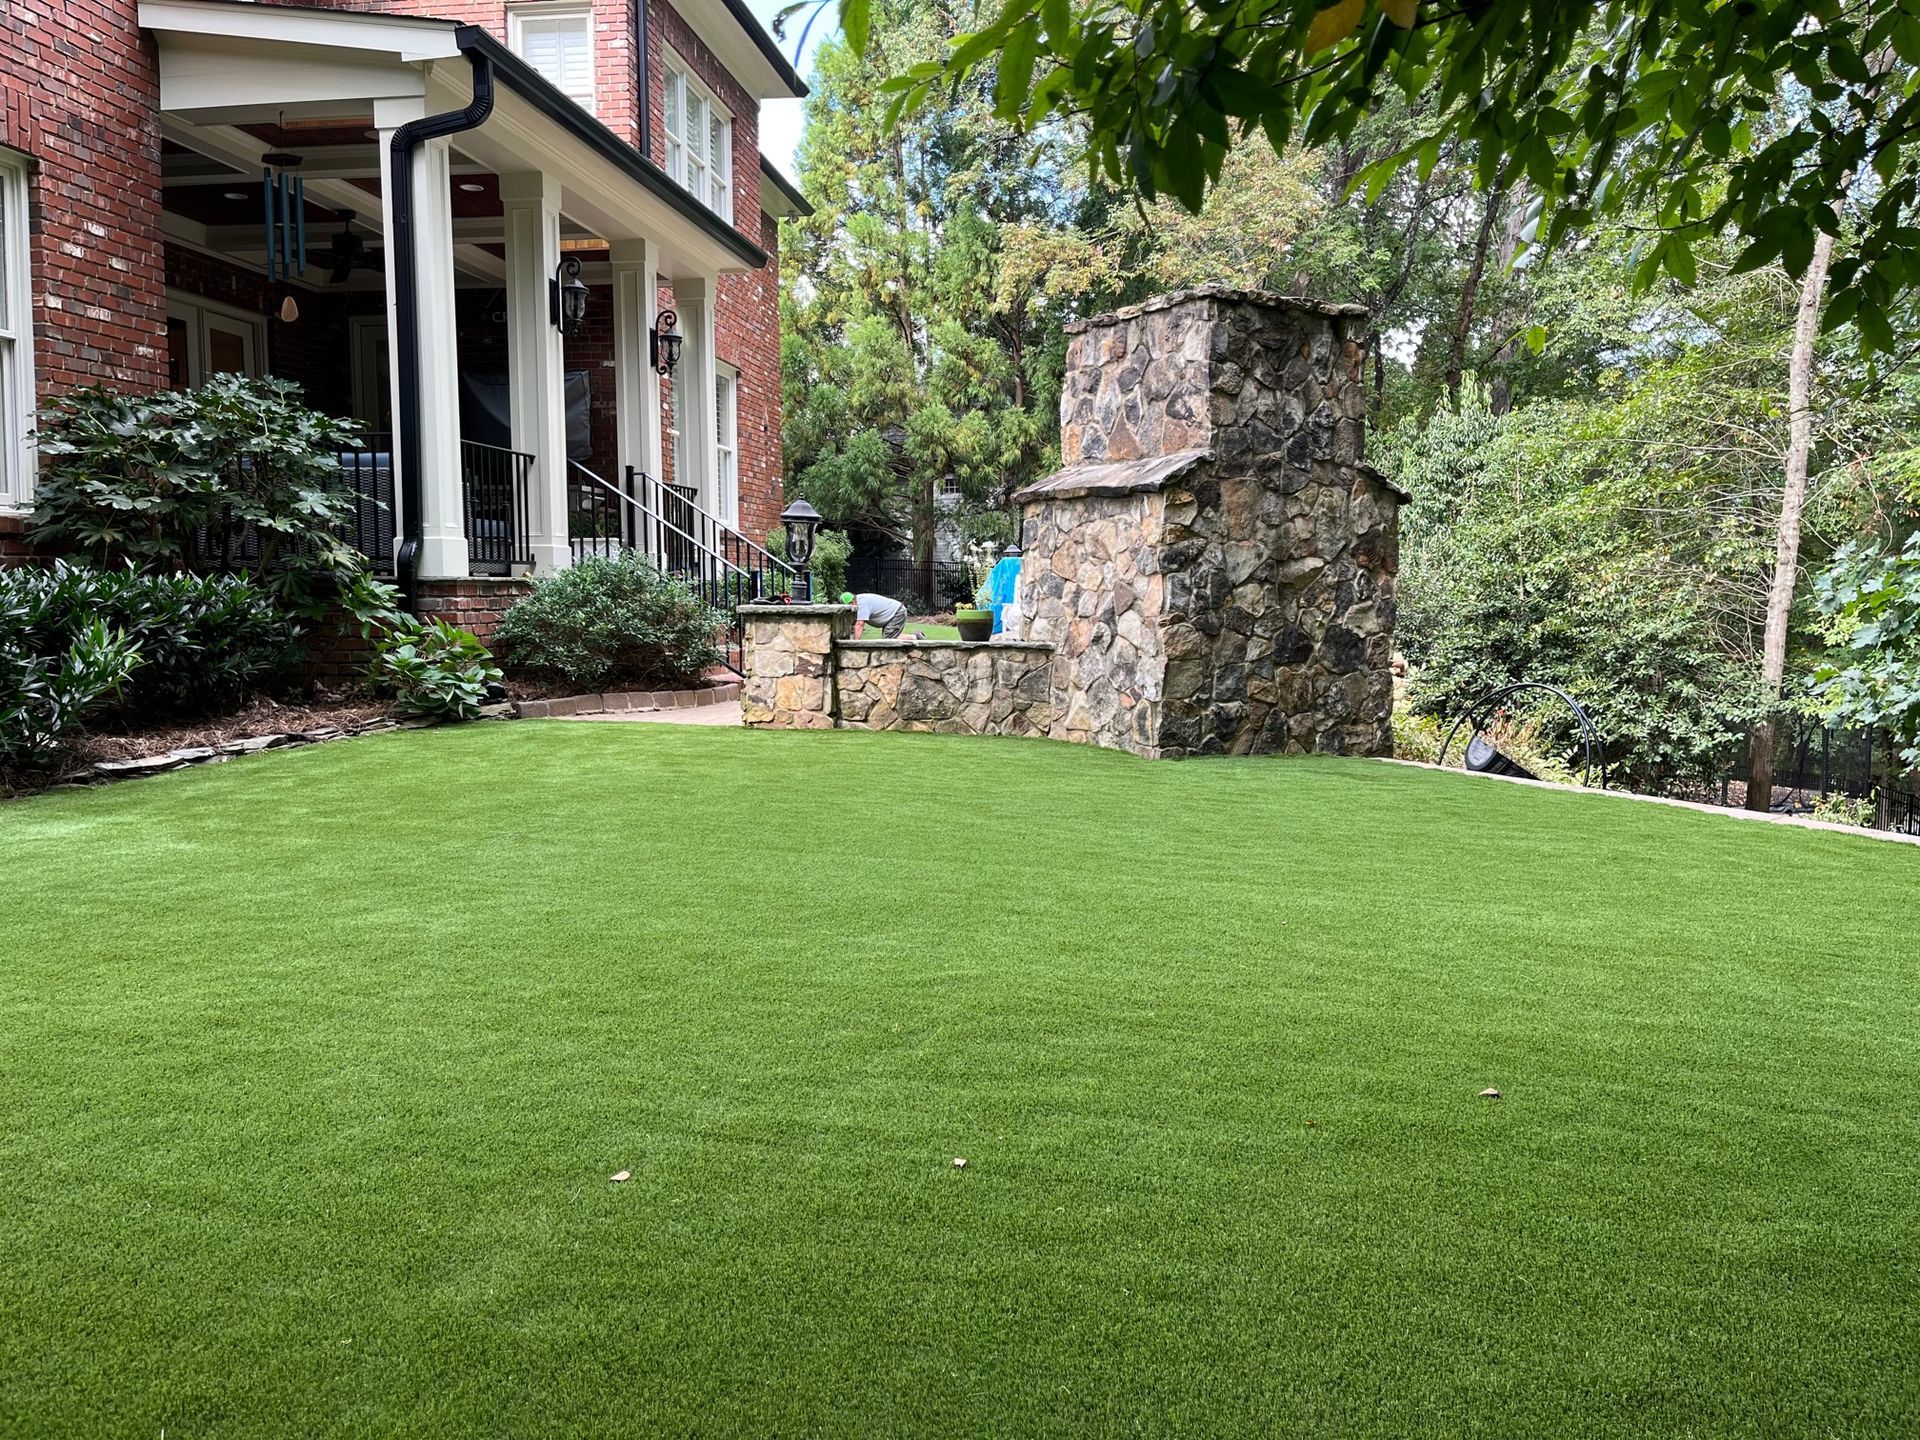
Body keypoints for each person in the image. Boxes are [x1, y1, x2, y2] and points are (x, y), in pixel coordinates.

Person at [841, 591, 908, 639]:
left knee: (887, 643)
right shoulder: (859, 600)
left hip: (897, 612)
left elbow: (859, 625)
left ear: (852, 602)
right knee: (891, 636)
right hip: (894, 612)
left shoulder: (862, 603)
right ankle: (916, 637)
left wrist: (853, 647)